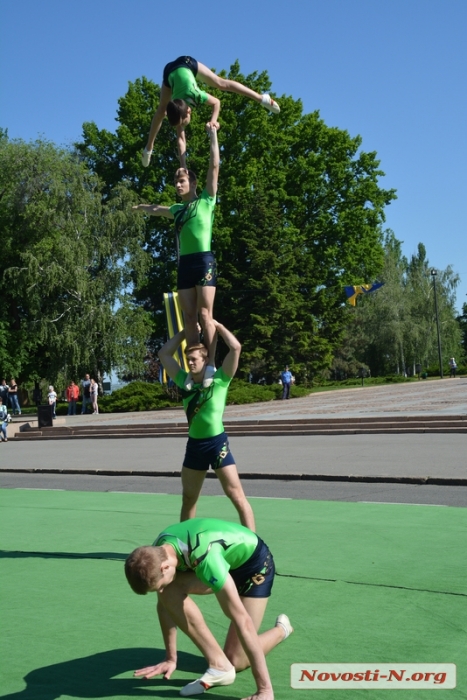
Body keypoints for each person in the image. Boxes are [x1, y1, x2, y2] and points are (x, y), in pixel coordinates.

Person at [125, 517, 293, 699]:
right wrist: (170, 658)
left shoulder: (205, 559)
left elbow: (242, 621)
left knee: (237, 660)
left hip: (254, 568)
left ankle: (281, 630)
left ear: (165, 567)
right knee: (169, 593)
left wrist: (265, 690)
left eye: (159, 585)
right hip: (222, 562)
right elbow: (164, 605)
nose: (161, 590)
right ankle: (219, 665)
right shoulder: (157, 551)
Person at [134, 127, 219, 377]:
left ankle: (211, 362)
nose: (177, 184)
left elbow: (214, 167)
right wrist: (140, 207)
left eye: (181, 181)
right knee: (189, 317)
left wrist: (213, 136)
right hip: (184, 265)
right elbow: (157, 209)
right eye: (175, 182)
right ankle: (195, 367)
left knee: (205, 314)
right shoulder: (177, 209)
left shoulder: (206, 200)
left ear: (192, 183)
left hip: (204, 261)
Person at [158, 320, 255, 531]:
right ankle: (185, 545)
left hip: (217, 444)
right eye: (187, 360)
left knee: (236, 496)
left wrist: (218, 326)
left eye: (194, 359)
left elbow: (236, 347)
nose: (190, 363)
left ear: (205, 360)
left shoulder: (221, 379)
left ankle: (254, 545)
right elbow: (164, 354)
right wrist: (185, 332)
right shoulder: (184, 382)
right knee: (189, 498)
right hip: (195, 446)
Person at [142, 55, 280, 168]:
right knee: (161, 111)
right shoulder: (177, 109)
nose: (182, 125)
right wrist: (183, 167)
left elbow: (216, 102)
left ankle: (262, 98)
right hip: (169, 72)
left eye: (183, 123)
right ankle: (149, 148)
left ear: (188, 111)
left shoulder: (196, 95)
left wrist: (213, 120)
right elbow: (180, 139)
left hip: (186, 63)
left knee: (220, 83)